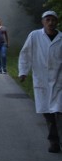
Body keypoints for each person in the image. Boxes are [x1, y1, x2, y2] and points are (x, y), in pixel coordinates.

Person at [17, 10, 62, 153]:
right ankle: (54, 142)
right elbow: (25, 54)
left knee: (60, 112)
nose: (51, 23)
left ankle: (58, 140)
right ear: (43, 22)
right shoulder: (35, 36)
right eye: (47, 20)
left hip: (59, 80)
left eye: (53, 20)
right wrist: (23, 72)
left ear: (57, 22)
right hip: (41, 79)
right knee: (48, 113)